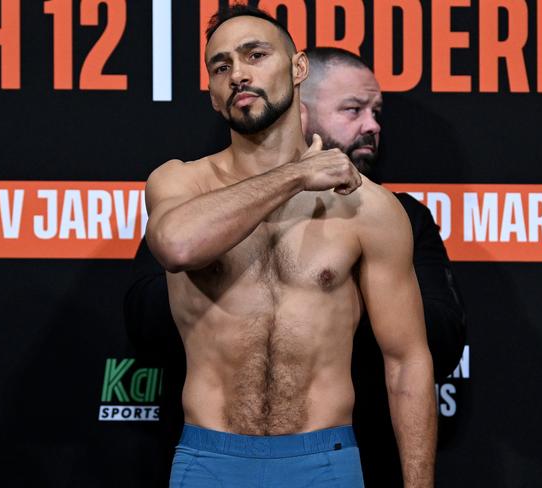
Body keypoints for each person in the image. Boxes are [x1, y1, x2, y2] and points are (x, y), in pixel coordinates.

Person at [141, 5, 436, 488]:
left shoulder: (368, 207)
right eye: (221, 67)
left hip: (324, 461)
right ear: (214, 98)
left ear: (298, 68)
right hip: (209, 459)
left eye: (255, 55)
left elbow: (407, 362)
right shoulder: (178, 182)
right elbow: (177, 246)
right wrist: (297, 174)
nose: (238, 74)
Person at [300, 47, 466, 487]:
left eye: (375, 111)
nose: (372, 125)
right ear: (299, 115)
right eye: (352, 110)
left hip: (369, 461)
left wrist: (335, 292)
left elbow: (444, 336)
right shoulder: (229, 207)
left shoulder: (402, 216)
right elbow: (147, 318)